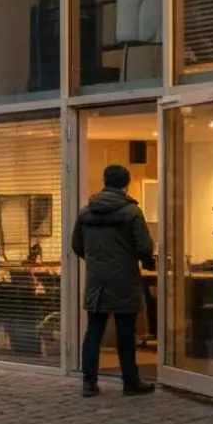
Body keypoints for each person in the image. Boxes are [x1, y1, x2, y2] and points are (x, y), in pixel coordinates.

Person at [70, 164, 156, 397]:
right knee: (125, 331)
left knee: (94, 330)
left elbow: (76, 244)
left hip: (96, 279)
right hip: (124, 279)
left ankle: (89, 382)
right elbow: (145, 247)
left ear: (104, 181)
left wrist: (95, 261)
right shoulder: (132, 212)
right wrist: (145, 261)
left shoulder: (86, 211)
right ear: (126, 184)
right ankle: (130, 381)